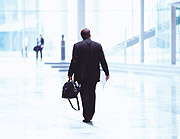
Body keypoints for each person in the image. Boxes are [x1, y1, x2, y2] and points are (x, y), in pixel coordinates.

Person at [68, 28, 110, 123]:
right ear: (90, 35)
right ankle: (91, 113)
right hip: (94, 75)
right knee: (92, 93)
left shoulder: (77, 46)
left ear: (82, 36)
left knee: (84, 94)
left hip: (82, 76)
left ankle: (87, 115)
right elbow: (102, 60)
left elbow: (74, 61)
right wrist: (107, 72)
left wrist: (70, 74)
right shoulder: (98, 46)